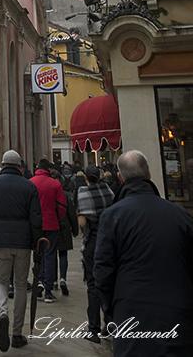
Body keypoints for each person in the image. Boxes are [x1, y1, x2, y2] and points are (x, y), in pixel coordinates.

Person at [94, 150, 193, 356]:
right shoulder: (180, 215)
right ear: (149, 175)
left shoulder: (112, 217)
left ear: (120, 178)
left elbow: (103, 272)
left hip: (131, 314)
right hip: (178, 314)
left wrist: (111, 311)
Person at [0, 149, 42, 352]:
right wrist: (36, 245)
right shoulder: (29, 186)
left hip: (0, 240)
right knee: (21, 284)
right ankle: (16, 333)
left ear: (3, 165)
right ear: (20, 167)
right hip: (23, 243)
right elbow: (36, 220)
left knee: (1, 281)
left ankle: (2, 313)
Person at [74, 164, 114, 341]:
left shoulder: (84, 192)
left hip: (93, 241)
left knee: (93, 284)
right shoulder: (108, 190)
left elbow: (82, 222)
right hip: (108, 240)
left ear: (86, 178)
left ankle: (93, 328)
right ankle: (110, 323)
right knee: (108, 282)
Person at [30, 157, 66, 302]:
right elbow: (62, 206)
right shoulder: (55, 184)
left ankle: (39, 282)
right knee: (50, 255)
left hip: (35, 225)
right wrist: (57, 217)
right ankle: (49, 289)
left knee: (37, 254)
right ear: (48, 169)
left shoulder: (30, 183)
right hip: (51, 223)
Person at [55, 176, 78, 296]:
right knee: (63, 254)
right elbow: (72, 213)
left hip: (51, 226)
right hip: (64, 227)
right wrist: (75, 230)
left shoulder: (48, 192)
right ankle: (62, 278)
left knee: (51, 254)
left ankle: (53, 279)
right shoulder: (65, 195)